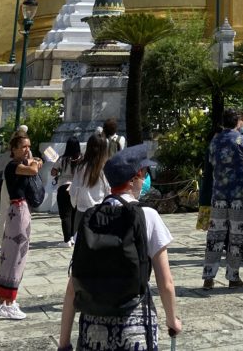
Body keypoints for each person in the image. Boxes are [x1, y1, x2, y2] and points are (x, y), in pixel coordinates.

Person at [58, 144, 182, 351]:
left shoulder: (90, 218)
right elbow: (165, 281)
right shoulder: (147, 216)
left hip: (92, 327)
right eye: (144, 174)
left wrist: (64, 343)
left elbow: (73, 286)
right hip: (133, 325)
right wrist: (172, 320)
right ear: (137, 176)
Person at [0, 131, 43, 319]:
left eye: (29, 146)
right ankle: (9, 303)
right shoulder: (13, 165)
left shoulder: (19, 164)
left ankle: (1, 302)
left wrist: (33, 161)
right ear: (13, 150)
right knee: (16, 257)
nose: (27, 150)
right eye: (23, 147)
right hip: (18, 210)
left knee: (10, 256)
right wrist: (34, 162)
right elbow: (34, 170)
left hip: (19, 211)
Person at [202, 108, 243, 289]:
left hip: (219, 193)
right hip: (238, 194)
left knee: (215, 236)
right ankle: (233, 276)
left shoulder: (215, 140)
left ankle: (209, 276)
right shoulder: (241, 139)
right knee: (236, 237)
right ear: (238, 120)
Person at [70, 133, 110, 232]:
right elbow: (108, 192)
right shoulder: (106, 168)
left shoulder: (80, 167)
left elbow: (74, 190)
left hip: (82, 212)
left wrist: (75, 204)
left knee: (80, 244)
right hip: (100, 212)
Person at [52, 137, 82, 246]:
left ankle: (67, 239)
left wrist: (59, 172)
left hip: (64, 187)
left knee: (65, 215)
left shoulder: (62, 159)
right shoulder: (82, 158)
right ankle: (73, 236)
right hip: (77, 188)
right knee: (75, 213)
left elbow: (53, 172)